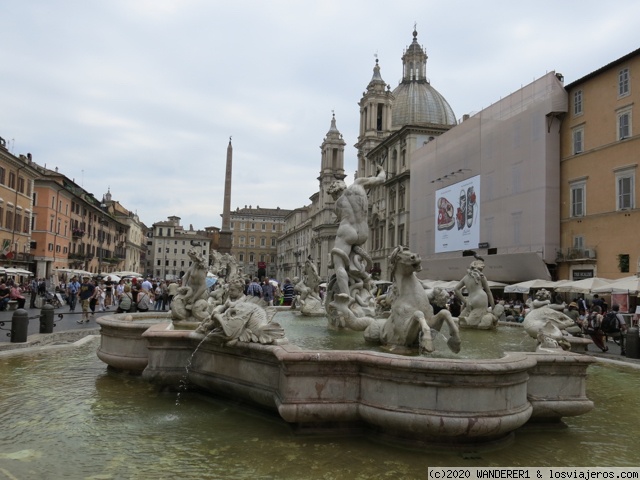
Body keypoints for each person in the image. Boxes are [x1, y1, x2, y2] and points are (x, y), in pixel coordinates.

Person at [328, 165, 386, 297]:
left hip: (347, 231)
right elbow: (381, 179)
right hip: (363, 232)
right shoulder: (358, 184)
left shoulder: (337, 205)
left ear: (334, 193)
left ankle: (346, 298)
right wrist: (381, 170)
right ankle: (359, 283)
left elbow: (341, 219)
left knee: (339, 265)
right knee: (354, 259)